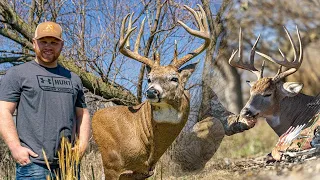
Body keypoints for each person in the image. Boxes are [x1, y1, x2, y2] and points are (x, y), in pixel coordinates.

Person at [0, 21, 91, 179]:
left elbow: (82, 114)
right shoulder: (18, 74)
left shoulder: (74, 79)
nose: (48, 46)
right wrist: (15, 148)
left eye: (54, 42)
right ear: (34, 43)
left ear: (61, 45)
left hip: (68, 164)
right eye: (43, 41)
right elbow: (3, 111)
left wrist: (82, 145)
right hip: (33, 164)